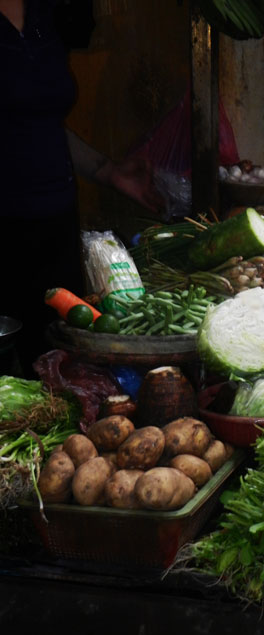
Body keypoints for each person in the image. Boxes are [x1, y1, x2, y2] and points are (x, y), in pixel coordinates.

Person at [0, 0, 163, 377]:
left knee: (60, 361)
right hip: (5, 230)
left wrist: (108, 171)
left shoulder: (43, 14)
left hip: (56, 223)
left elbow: (43, 122)